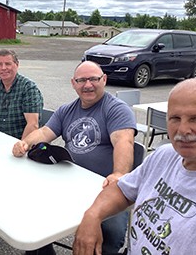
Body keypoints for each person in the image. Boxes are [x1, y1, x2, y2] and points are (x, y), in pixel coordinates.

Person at [13, 61, 137, 255]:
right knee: (33, 214)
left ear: (104, 79)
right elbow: (45, 131)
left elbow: (123, 141)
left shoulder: (116, 109)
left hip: (105, 185)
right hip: (69, 181)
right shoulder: (66, 110)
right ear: (73, 83)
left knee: (112, 233)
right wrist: (25, 143)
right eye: (81, 80)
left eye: (93, 79)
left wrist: (119, 173)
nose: (87, 85)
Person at [73, 78, 196, 255]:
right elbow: (122, 189)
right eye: (175, 118)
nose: (182, 130)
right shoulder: (164, 155)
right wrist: (92, 215)